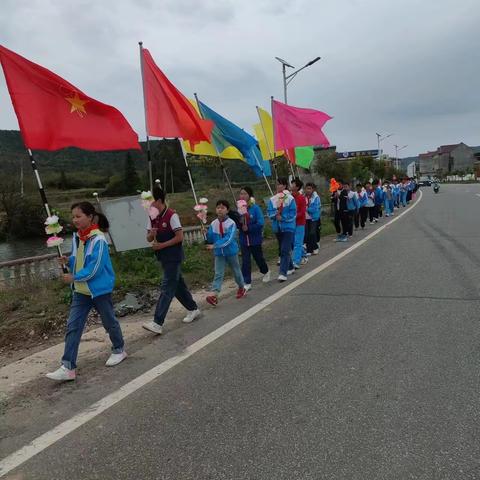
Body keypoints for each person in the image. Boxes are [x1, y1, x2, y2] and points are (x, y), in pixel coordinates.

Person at [46, 202, 126, 382]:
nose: (75, 220)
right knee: (73, 327)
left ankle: (119, 349)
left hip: (99, 291)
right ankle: (68, 367)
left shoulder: (98, 239)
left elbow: (94, 268)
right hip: (81, 292)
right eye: (73, 216)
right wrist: (68, 261)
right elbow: (78, 261)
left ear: (90, 217)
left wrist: (74, 277)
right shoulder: (78, 238)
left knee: (109, 321)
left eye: (78, 216)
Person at [142, 186, 201, 335]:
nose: (148, 204)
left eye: (151, 201)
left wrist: (162, 245)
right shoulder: (151, 216)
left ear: (159, 200)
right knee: (177, 285)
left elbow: (179, 237)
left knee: (167, 286)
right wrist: (152, 234)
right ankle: (193, 309)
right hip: (163, 257)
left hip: (173, 256)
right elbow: (148, 237)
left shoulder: (171, 215)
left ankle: (157, 322)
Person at [205, 200, 246, 306]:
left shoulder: (231, 223)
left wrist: (215, 245)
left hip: (231, 252)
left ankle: (242, 287)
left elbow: (229, 239)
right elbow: (210, 238)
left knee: (236, 271)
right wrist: (205, 234)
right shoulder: (213, 224)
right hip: (219, 253)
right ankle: (214, 295)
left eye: (223, 208)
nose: (220, 209)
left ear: (227, 210)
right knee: (218, 273)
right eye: (218, 207)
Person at [237, 186, 270, 291]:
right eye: (241, 194)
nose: (242, 196)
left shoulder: (255, 208)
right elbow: (236, 223)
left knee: (258, 258)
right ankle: (247, 282)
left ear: (250, 196)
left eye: (245, 194)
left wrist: (249, 228)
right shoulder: (239, 209)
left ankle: (265, 271)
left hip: (254, 238)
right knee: (245, 261)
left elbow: (260, 223)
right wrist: (240, 224)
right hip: (243, 239)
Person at [267, 177, 297, 282]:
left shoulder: (290, 198)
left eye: (280, 184)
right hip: (277, 228)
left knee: (284, 250)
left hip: (288, 227)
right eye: (277, 184)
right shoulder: (272, 199)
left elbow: (293, 213)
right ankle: (291, 267)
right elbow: (269, 212)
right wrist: (275, 214)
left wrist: (283, 218)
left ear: (285, 186)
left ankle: (282, 273)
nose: (278, 186)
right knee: (283, 248)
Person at [290, 178, 307, 269]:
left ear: (297, 187)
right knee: (294, 243)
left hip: (300, 223)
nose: (291, 185)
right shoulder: (289, 197)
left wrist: (294, 216)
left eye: (293, 184)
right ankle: (304, 254)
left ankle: (296, 262)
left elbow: (302, 211)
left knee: (297, 243)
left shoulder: (301, 198)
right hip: (291, 224)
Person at [304, 182, 321, 255]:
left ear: (313, 189)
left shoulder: (316, 197)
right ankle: (309, 250)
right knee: (306, 234)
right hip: (305, 218)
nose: (308, 190)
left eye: (309, 189)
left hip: (313, 218)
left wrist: (306, 208)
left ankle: (315, 247)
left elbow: (314, 208)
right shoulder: (303, 196)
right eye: (307, 188)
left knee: (312, 233)